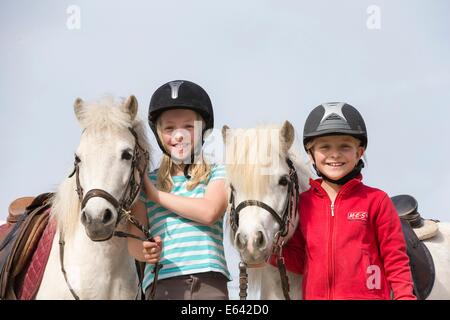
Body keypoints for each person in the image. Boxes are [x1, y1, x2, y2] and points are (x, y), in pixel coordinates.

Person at [278, 102, 416, 300]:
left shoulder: (377, 201)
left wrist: (405, 297)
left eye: (345, 146)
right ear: (310, 155)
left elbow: (395, 260)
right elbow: (301, 259)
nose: (335, 154)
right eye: (325, 147)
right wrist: (268, 254)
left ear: (359, 152)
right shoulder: (302, 204)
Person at [128, 80, 231, 300]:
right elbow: (134, 239)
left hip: (209, 283)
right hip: (162, 284)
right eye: (169, 128)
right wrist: (143, 250)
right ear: (158, 134)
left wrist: (156, 195)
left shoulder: (218, 172)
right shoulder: (147, 181)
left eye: (189, 127)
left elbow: (209, 211)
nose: (179, 135)